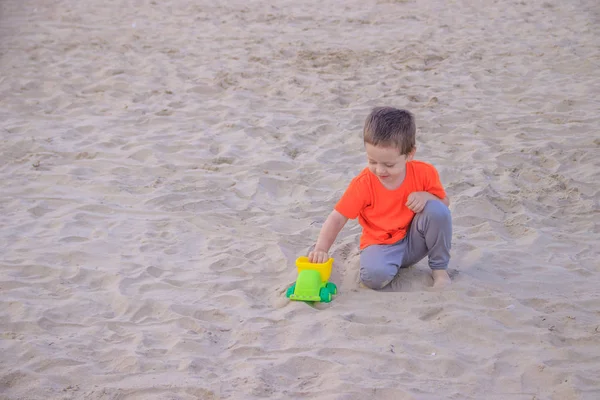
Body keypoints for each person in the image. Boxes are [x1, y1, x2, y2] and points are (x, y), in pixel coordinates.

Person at [307, 107, 452, 289]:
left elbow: (444, 205)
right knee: (373, 279)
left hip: (414, 241)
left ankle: (440, 271)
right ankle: (390, 264)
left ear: (409, 154)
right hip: (380, 244)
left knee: (436, 209)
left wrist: (426, 196)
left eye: (389, 164)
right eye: (372, 161)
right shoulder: (364, 183)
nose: (380, 170)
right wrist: (321, 249)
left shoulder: (424, 172)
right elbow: (338, 217)